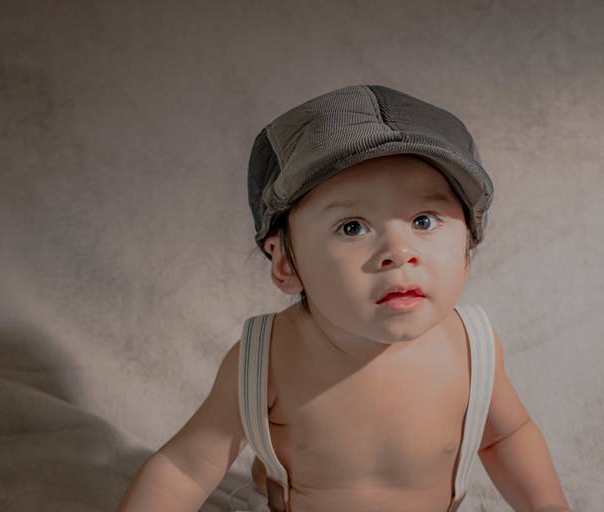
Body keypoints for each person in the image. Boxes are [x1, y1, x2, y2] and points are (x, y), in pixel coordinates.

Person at [116, 84, 572, 512]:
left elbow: (506, 436)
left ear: (468, 247)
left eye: (424, 221)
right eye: (352, 227)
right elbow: (185, 467)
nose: (399, 252)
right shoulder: (266, 362)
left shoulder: (472, 347)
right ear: (286, 264)